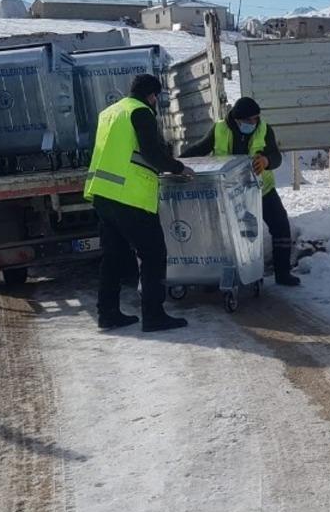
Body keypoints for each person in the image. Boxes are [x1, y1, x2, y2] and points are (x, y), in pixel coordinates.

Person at [84, 74, 194, 331]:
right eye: (157, 97)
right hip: (129, 196)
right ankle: (154, 316)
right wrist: (178, 167)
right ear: (152, 95)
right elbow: (151, 152)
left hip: (103, 194)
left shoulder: (109, 113)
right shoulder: (141, 112)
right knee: (154, 254)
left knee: (112, 257)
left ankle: (108, 314)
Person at [182, 97, 300, 287]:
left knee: (280, 225)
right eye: (249, 120)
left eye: (256, 119)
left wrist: (266, 161)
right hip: (228, 192)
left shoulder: (264, 129)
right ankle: (216, 275)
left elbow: (276, 156)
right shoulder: (220, 129)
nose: (253, 123)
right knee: (220, 233)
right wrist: (177, 163)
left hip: (260, 189)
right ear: (237, 120)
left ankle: (283, 273)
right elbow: (200, 148)